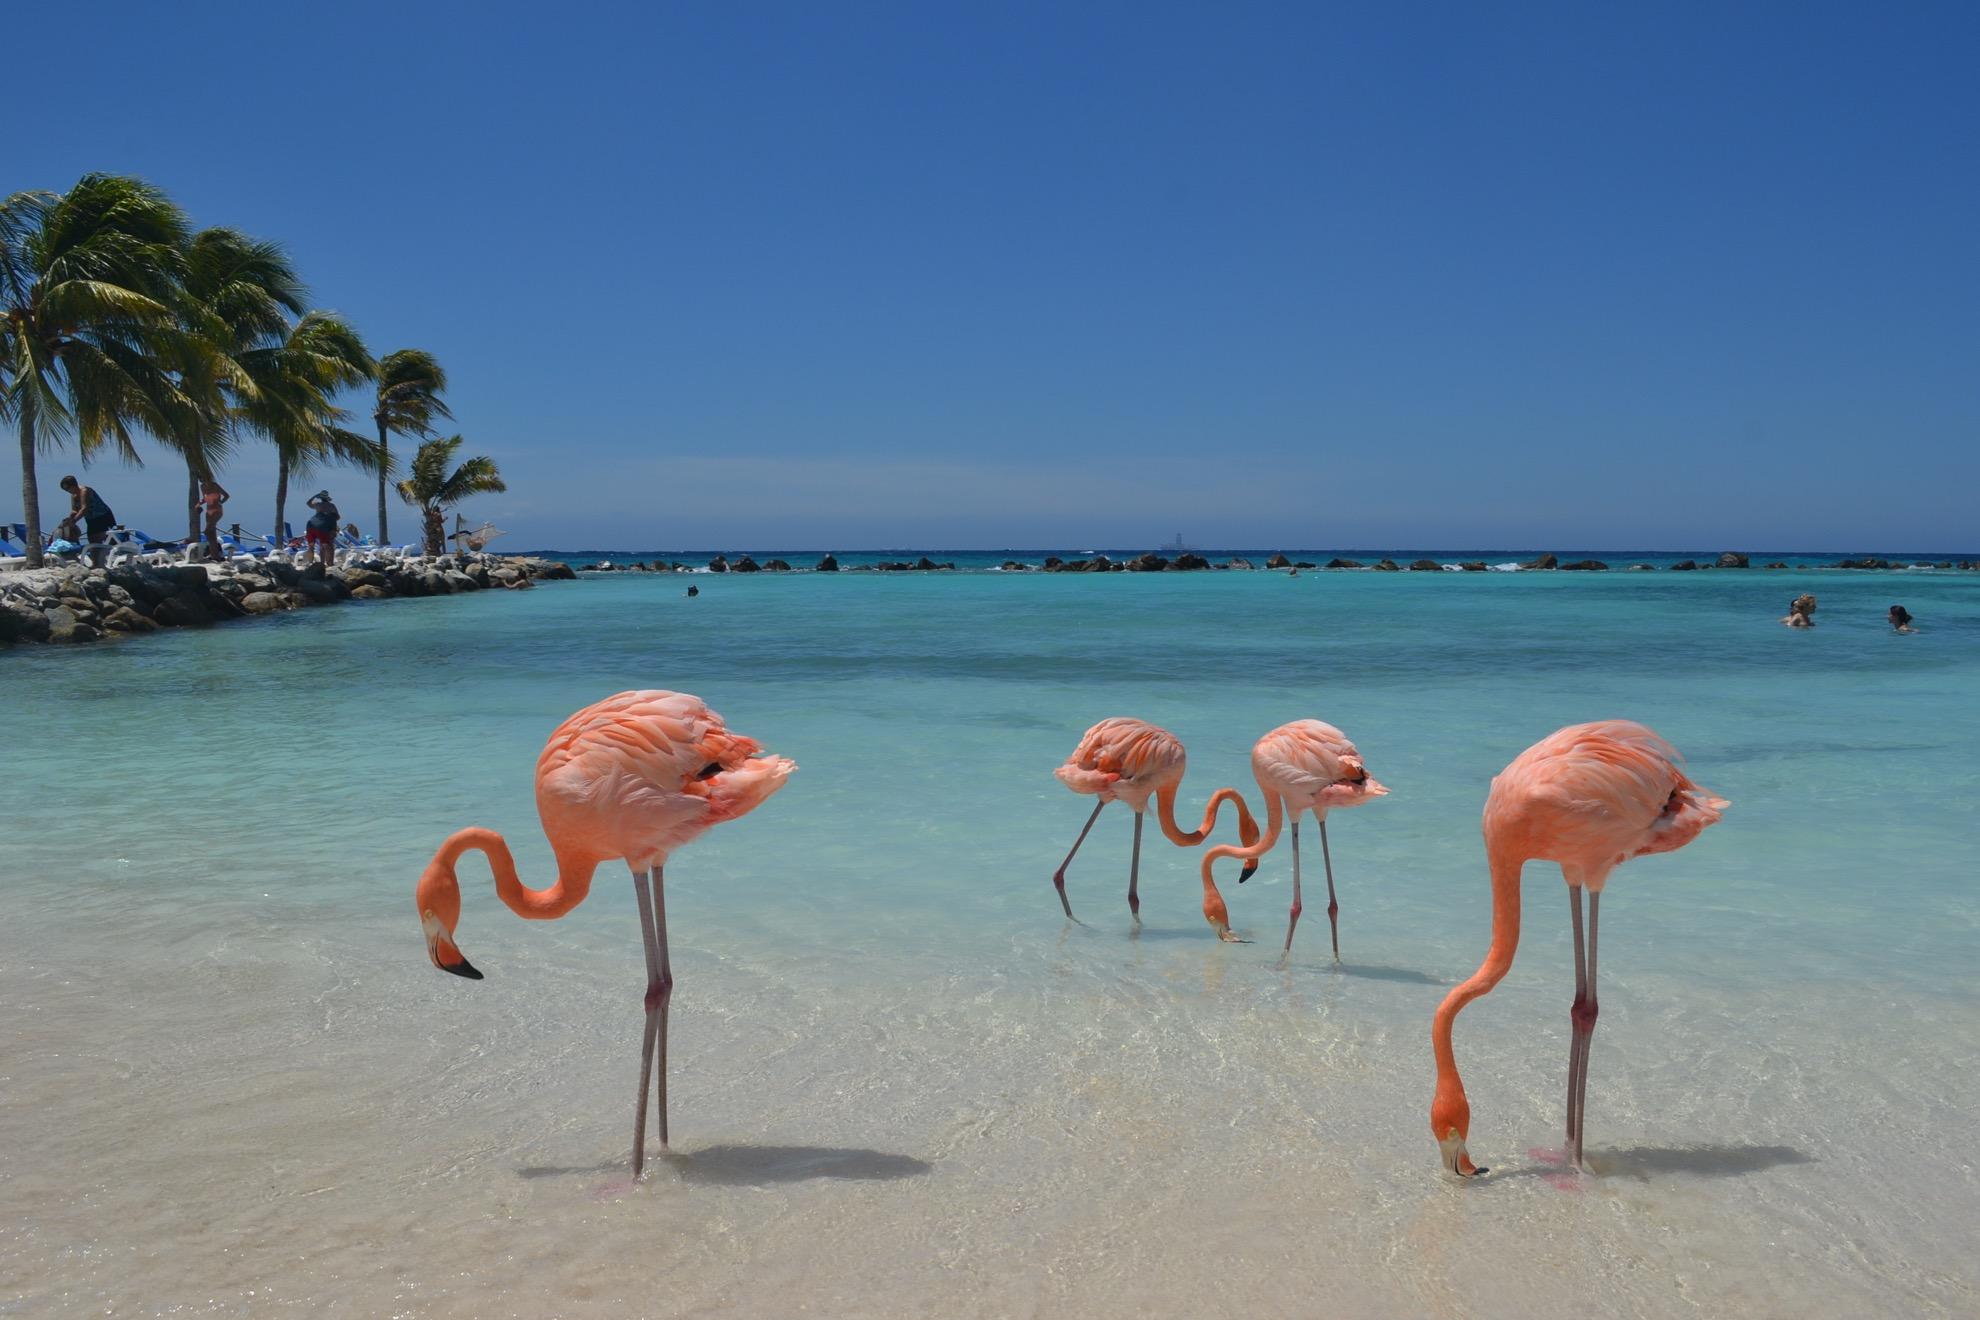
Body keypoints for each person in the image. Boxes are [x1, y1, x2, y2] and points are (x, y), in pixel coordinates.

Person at [58, 475, 115, 564]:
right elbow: (74, 510)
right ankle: (97, 562)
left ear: (73, 485)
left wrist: (74, 521)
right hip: (91, 519)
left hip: (102, 516)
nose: (67, 491)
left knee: (99, 538)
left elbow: (84, 508)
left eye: (68, 488)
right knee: (92, 540)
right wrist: (69, 520)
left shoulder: (84, 491)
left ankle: (101, 560)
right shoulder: (73, 496)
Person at [304, 490, 340, 568]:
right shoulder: (331, 506)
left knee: (311, 546)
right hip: (322, 526)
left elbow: (308, 503)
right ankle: (326, 564)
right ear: (327, 498)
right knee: (326, 546)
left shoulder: (317, 505)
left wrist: (315, 495)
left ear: (320, 498)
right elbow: (338, 517)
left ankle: (310, 563)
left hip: (310, 524)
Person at [199, 479, 230, 561]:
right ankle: (214, 555)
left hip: (217, 510)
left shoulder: (214, 485)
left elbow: (226, 495)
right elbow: (205, 499)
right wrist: (198, 504)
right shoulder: (202, 486)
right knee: (211, 534)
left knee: (207, 530)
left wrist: (221, 502)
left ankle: (215, 554)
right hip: (208, 511)